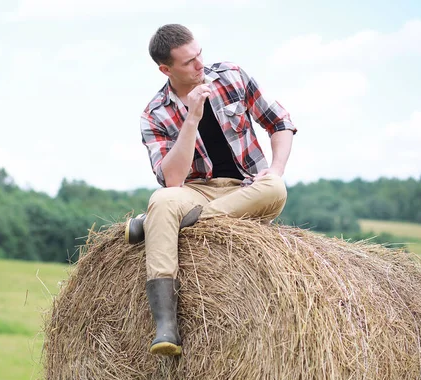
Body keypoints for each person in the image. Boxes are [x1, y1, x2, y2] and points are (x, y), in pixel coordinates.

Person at [126, 24, 297, 357]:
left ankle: (159, 223)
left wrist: (273, 170)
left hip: (248, 190)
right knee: (162, 199)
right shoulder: (154, 114)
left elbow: (281, 122)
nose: (199, 65)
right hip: (196, 191)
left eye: (199, 54)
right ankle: (166, 327)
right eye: (188, 62)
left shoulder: (231, 76)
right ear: (165, 69)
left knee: (276, 187)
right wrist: (192, 118)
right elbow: (172, 180)